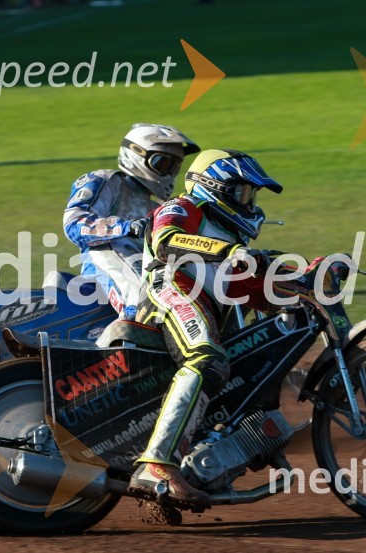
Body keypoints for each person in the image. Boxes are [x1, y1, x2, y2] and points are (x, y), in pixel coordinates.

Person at [129, 149, 282, 507]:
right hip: (170, 288)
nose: (249, 202)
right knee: (207, 358)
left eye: (252, 195)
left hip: (204, 307)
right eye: (242, 192)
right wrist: (226, 250)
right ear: (214, 187)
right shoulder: (183, 207)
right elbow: (167, 240)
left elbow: (254, 290)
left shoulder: (231, 241)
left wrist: (311, 275)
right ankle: (156, 466)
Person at [63, 123, 199, 321]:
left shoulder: (159, 207)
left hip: (147, 267)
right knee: (141, 301)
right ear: (136, 154)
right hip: (104, 263)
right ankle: (134, 322)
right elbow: (74, 224)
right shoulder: (106, 180)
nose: (169, 174)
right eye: (163, 164)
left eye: (174, 167)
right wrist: (125, 228)